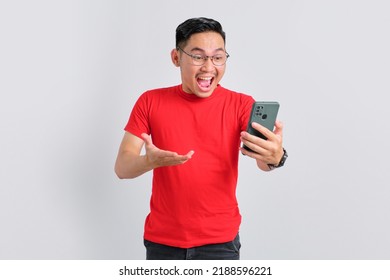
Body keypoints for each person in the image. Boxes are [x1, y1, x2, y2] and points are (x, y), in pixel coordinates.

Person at [115, 17, 287, 260]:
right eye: (198, 56)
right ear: (176, 58)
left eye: (218, 57)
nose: (209, 67)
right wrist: (149, 161)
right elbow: (122, 167)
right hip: (162, 242)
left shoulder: (240, 104)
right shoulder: (150, 101)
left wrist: (276, 156)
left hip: (220, 242)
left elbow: (262, 159)